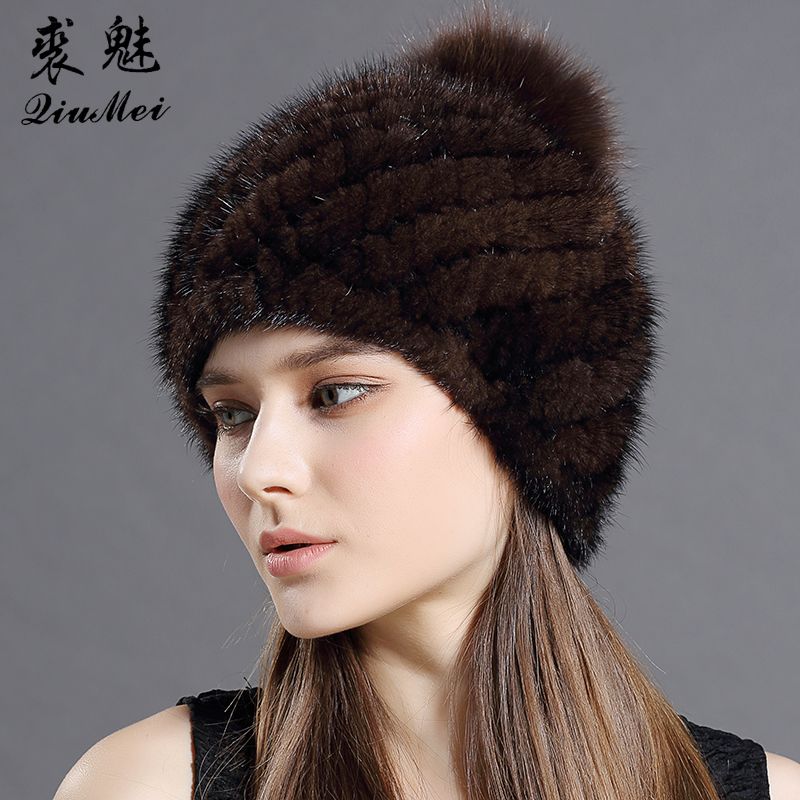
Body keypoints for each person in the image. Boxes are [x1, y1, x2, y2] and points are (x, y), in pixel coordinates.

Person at [54, 3, 799, 799]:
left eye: (335, 393)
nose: (259, 471)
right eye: (232, 414)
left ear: (526, 418)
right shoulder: (145, 784)